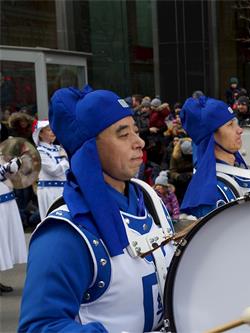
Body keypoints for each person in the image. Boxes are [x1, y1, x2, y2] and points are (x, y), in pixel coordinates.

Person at [19, 87, 175, 332]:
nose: (140, 142)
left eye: (136, 130)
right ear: (89, 148)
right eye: (123, 135)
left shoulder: (148, 197)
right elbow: (39, 327)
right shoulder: (64, 235)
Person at [180, 96, 250, 218]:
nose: (240, 130)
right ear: (211, 137)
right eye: (230, 125)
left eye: (236, 123)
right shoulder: (209, 194)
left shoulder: (238, 170)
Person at [32, 120, 69, 219]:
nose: (53, 132)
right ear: (40, 134)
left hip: (64, 189)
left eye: (53, 129)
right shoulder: (39, 152)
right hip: (49, 191)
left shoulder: (58, 148)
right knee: (53, 219)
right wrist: (65, 159)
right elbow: (54, 171)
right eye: (49, 130)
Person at [0, 157, 27, 295]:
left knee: (3, 242)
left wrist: (13, 167)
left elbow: (9, 178)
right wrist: (6, 167)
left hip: (6, 201)